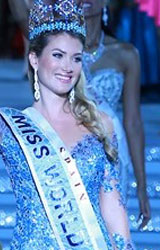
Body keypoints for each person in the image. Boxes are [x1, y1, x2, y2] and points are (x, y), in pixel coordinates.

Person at [0, 0, 135, 248]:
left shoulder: (99, 123)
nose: (68, 67)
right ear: (34, 59)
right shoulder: (11, 125)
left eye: (76, 58)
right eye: (57, 55)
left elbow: (113, 206)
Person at [81, 0, 150, 229]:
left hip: (111, 153)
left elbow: (133, 123)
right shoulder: (57, 52)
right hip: (70, 152)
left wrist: (141, 185)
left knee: (109, 232)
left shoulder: (126, 54)